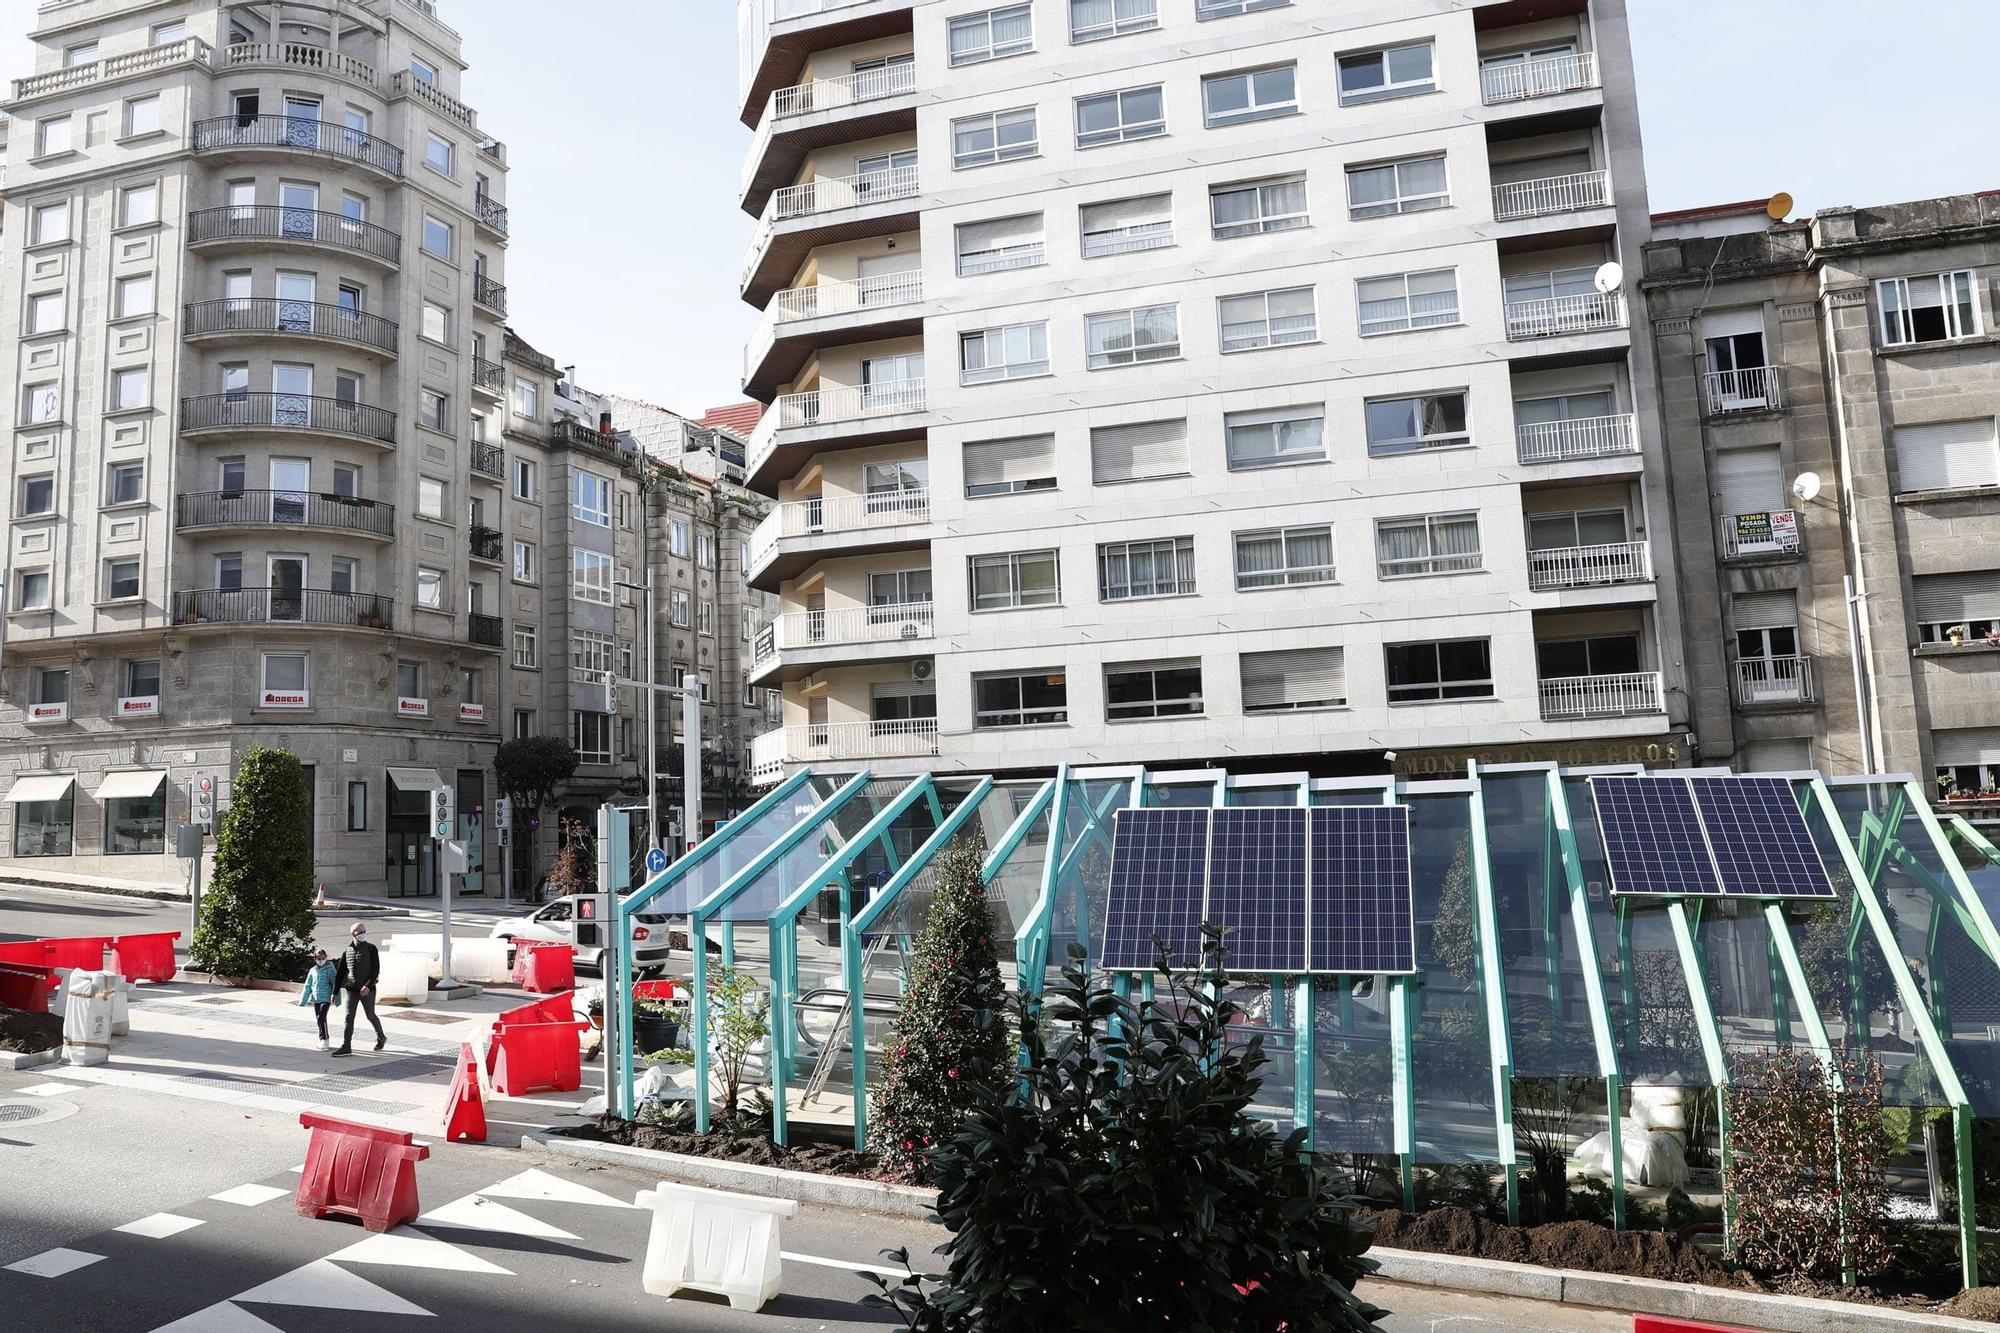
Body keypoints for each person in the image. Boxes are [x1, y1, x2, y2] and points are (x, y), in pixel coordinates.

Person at [332, 921, 387, 1057]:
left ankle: (381, 1036)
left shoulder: (371, 949)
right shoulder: (347, 951)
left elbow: (375, 970)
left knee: (370, 1015)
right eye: (359, 932)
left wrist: (368, 985)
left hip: (368, 989)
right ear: (353, 934)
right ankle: (346, 1045)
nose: (362, 934)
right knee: (349, 1017)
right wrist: (335, 991)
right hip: (352, 989)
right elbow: (340, 973)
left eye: (364, 931)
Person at [297, 948, 341, 1052]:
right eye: (318, 958)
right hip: (316, 998)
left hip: (326, 998)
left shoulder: (330, 969)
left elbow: (335, 983)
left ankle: (324, 1039)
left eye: (323, 958)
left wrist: (336, 998)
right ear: (315, 959)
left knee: (321, 1017)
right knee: (319, 1019)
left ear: (326, 958)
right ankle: (322, 1038)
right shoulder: (313, 970)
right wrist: (303, 1000)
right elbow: (308, 985)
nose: (321, 960)